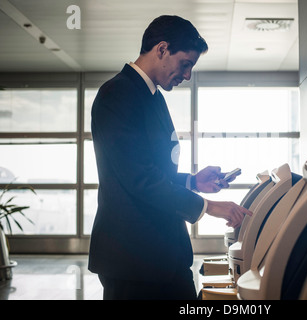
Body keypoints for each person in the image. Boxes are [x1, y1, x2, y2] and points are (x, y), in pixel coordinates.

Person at [88, 15, 252, 300]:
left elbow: (151, 170)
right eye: (185, 64)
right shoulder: (118, 94)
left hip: (161, 255)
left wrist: (192, 180)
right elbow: (140, 179)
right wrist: (209, 207)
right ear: (162, 50)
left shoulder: (152, 96)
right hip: (133, 260)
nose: (187, 75)